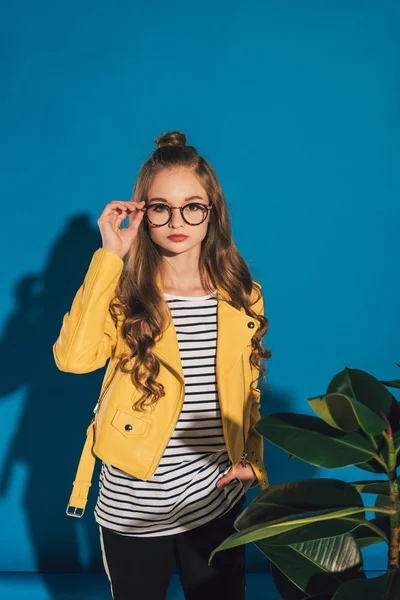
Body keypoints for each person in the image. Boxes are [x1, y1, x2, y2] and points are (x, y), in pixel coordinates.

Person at [53, 130, 271, 600]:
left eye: (193, 206)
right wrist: (110, 255)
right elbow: (73, 359)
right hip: (133, 507)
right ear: (142, 213)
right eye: (161, 208)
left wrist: (254, 460)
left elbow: (248, 391)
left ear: (212, 212)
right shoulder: (123, 295)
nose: (179, 220)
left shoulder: (241, 297)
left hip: (214, 502)